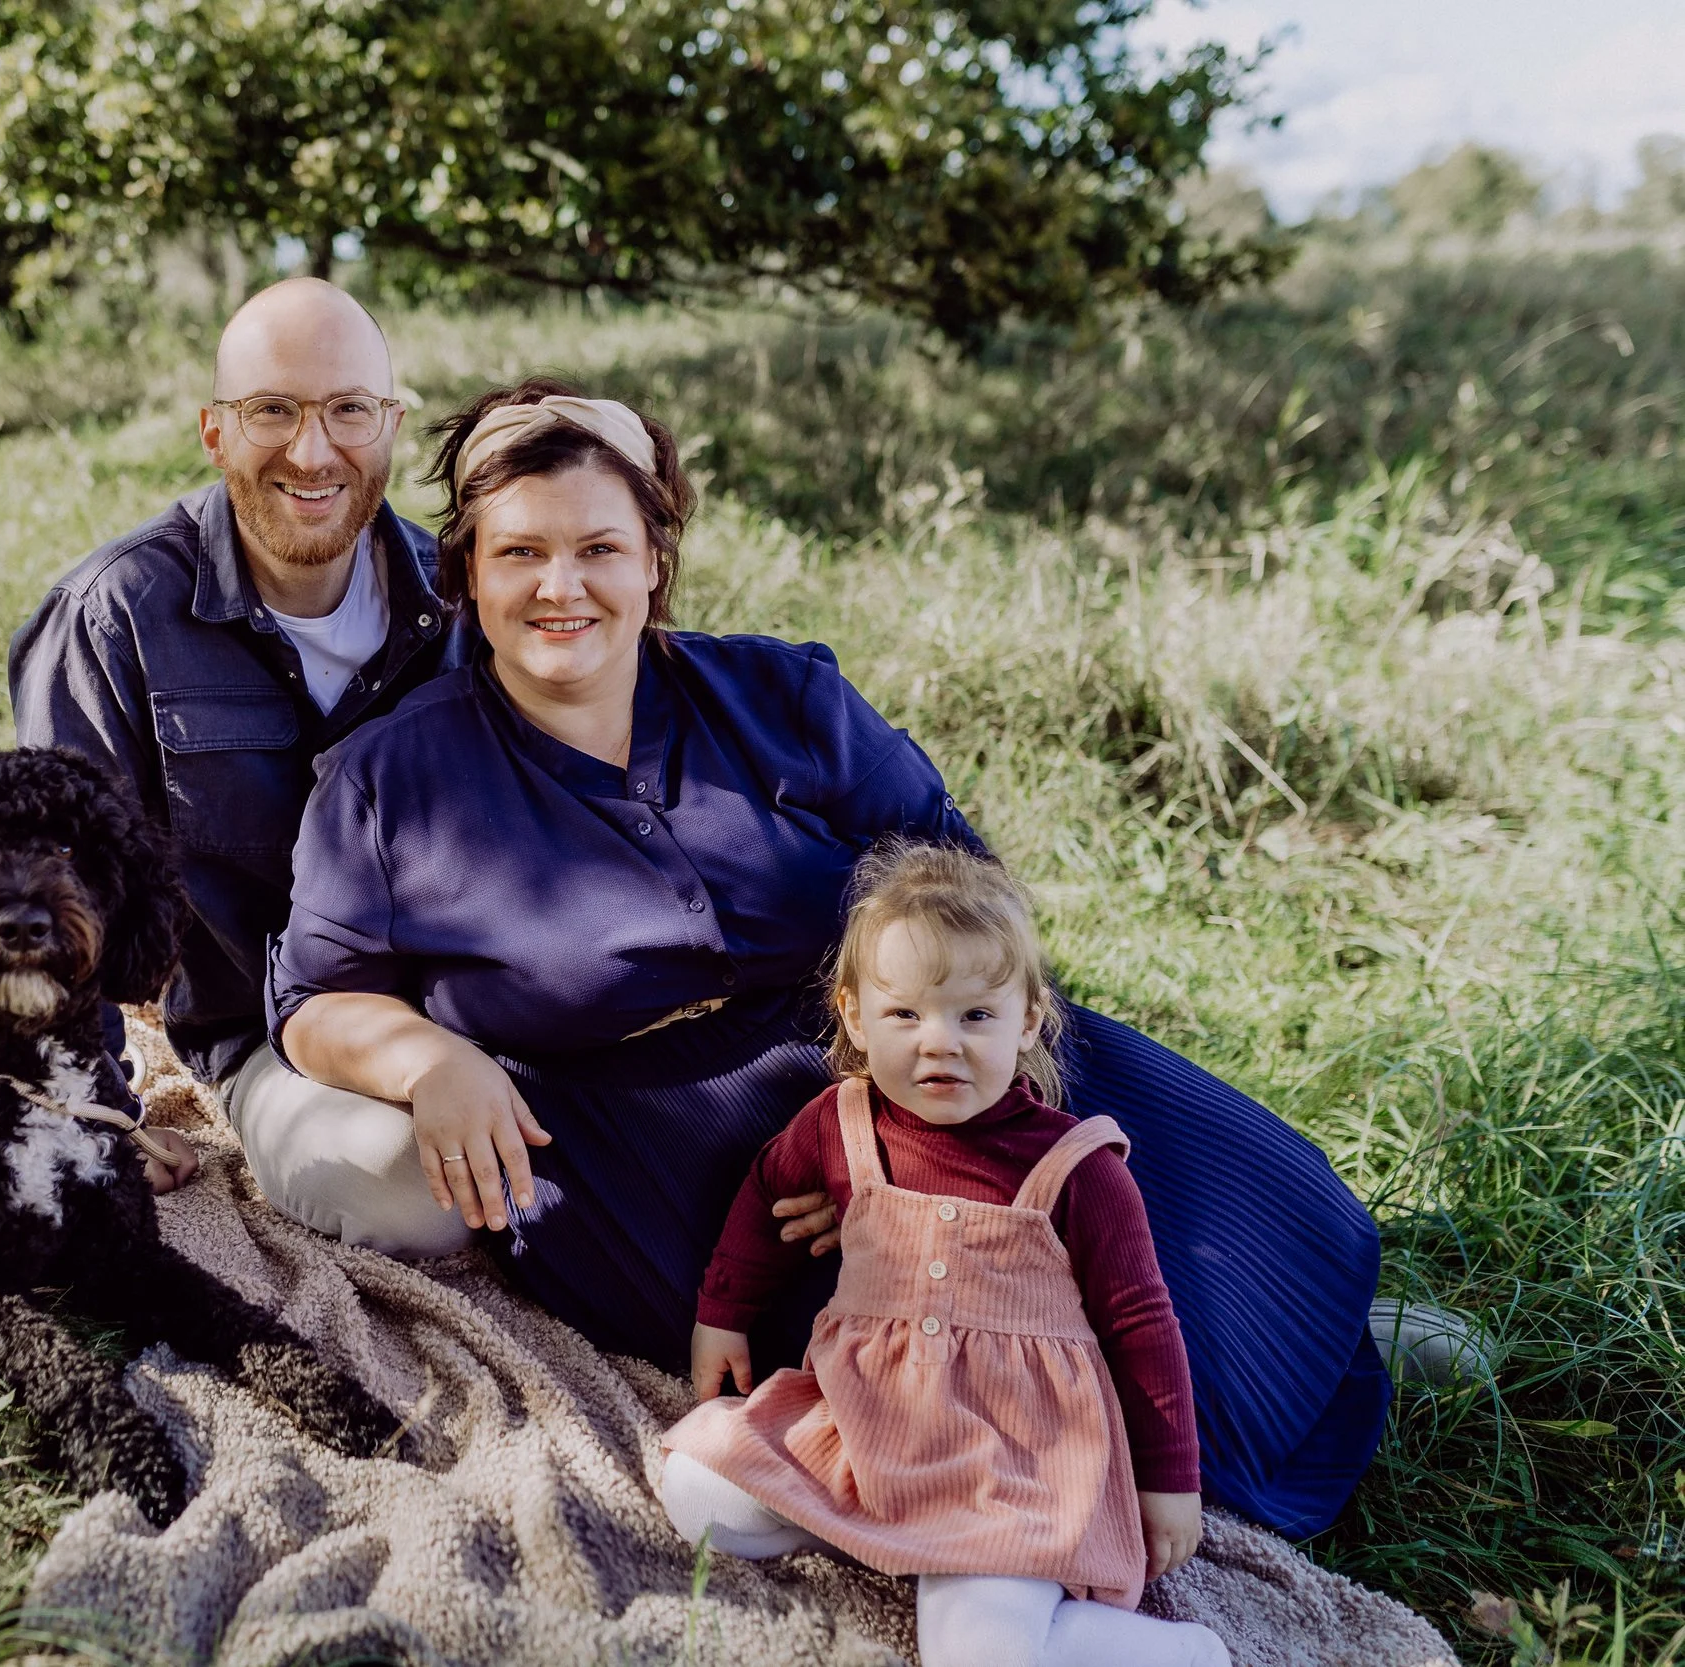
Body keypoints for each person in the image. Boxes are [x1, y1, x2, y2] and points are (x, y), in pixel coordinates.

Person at [264, 377, 1390, 1537]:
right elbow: (313, 994)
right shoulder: (390, 781)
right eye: (519, 554)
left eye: (600, 546)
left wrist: (909, 1073)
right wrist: (427, 1064)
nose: (562, 586)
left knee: (1219, 1211)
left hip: (901, 1040)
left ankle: (1337, 1337)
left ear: (655, 559)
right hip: (656, 1147)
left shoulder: (781, 693)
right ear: (464, 576)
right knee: (989, 1338)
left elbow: (960, 870)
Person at [660, 841, 1228, 1667]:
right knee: (697, 1491)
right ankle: (902, 1539)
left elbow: (1142, 1323)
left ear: (1028, 1019)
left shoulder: (1076, 1167)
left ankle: (1168, 1654)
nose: (939, 1044)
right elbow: (762, 1195)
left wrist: (1168, 1481)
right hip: (866, 1426)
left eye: (975, 1016)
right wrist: (723, 1314)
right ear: (854, 1015)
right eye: (905, 1015)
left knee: (974, 1655)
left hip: (1011, 1465)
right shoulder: (839, 1123)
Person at [7, 277, 479, 1255]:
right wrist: (94, 1115)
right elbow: (54, 893)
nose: (314, 451)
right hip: (267, 1037)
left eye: (349, 409)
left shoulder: (466, 602)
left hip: (472, 1007)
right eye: (274, 410)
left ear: (390, 425)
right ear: (215, 431)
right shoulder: (114, 615)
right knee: (418, 1193)